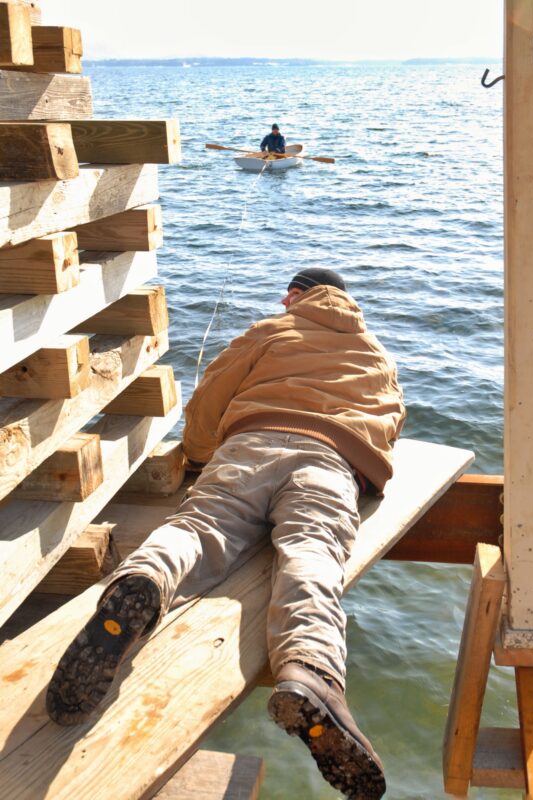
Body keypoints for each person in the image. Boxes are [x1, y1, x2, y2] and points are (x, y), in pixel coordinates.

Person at [46, 268, 405, 800]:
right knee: (313, 554)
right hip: (330, 462)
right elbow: (388, 420)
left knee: (198, 526)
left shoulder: (272, 328)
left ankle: (146, 578)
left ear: (297, 295)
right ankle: (310, 672)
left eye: (289, 295)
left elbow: (214, 390)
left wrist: (197, 452)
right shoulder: (375, 352)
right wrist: (364, 474)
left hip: (250, 445)